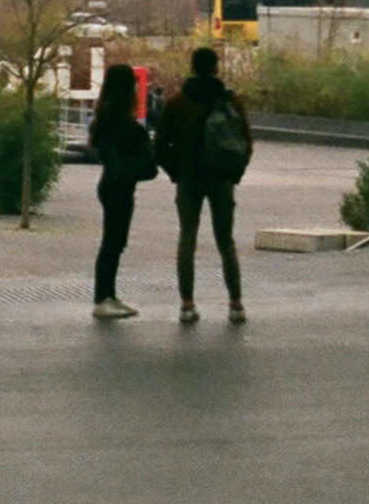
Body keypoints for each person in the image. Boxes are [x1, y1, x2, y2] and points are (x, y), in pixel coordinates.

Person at [153, 45, 252, 325]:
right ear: (216, 68)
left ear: (192, 67)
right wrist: (234, 174)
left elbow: (159, 145)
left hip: (189, 178)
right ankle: (235, 303)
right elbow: (245, 142)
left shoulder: (177, 102)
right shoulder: (231, 100)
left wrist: (175, 173)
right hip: (221, 178)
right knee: (226, 240)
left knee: (187, 237)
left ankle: (187, 304)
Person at [89, 62, 158, 319]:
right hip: (119, 186)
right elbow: (135, 144)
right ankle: (103, 297)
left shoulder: (105, 114)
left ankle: (108, 295)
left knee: (115, 241)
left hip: (112, 183)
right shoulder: (119, 119)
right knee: (113, 242)